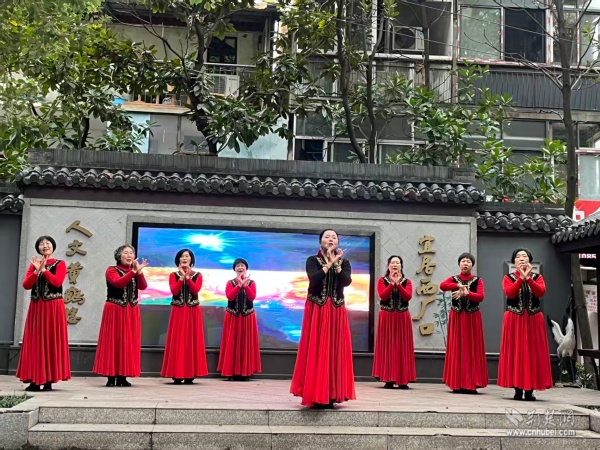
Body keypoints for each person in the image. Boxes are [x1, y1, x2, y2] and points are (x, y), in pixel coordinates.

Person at [290, 229, 356, 409]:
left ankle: (332, 394)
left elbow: (346, 281)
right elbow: (314, 279)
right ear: (320, 241)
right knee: (317, 349)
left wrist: (336, 264)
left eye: (334, 237)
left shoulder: (344, 262)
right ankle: (316, 394)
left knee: (335, 350)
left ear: (338, 242)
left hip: (336, 311)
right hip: (317, 310)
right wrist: (329, 263)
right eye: (327, 237)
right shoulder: (312, 260)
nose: (331, 239)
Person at [16, 236, 71, 391]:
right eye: (41, 244)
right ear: (38, 248)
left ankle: (48, 380)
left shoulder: (60, 263)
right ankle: (34, 379)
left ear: (53, 247)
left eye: (47, 243)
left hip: (53, 307)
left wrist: (44, 270)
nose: (45, 245)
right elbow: (26, 285)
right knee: (35, 342)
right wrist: (36, 271)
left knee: (51, 340)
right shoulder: (34, 264)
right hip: (36, 307)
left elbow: (57, 282)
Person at [498, 248, 552, 401]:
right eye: (518, 256)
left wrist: (528, 279)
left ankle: (530, 390)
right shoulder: (508, 277)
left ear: (530, 261)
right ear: (514, 262)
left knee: (532, 353)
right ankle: (517, 389)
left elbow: (540, 292)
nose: (521, 258)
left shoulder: (538, 277)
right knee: (516, 352)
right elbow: (510, 293)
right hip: (514, 319)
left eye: (525, 256)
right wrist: (521, 279)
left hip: (534, 319)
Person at [93, 245, 148, 387]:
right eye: (125, 253)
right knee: (113, 341)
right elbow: (118, 283)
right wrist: (133, 272)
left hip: (131, 310)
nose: (129, 255)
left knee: (128, 342)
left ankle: (123, 376)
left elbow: (143, 287)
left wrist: (139, 273)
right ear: (119, 256)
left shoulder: (134, 271)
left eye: (131, 253)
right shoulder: (111, 270)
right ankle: (111, 376)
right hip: (115, 310)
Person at [439, 252, 488, 394]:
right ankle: (457, 383)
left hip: (472, 318)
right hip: (457, 317)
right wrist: (458, 285)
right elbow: (442, 286)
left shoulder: (478, 280)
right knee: (457, 348)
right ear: (459, 264)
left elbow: (480, 297)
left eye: (468, 261)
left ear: (472, 265)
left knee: (472, 349)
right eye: (463, 261)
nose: (465, 263)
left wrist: (467, 293)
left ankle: (472, 383)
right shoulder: (454, 279)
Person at [161, 249, 208, 384]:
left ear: (191, 260)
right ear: (178, 260)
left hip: (193, 311)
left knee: (191, 341)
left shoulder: (198, 275)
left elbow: (195, 289)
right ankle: (177, 373)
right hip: (178, 310)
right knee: (178, 340)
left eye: (187, 256)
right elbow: (174, 291)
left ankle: (189, 374)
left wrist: (188, 277)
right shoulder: (173, 275)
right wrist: (181, 277)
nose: (184, 258)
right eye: (182, 256)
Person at [372, 255, 415, 389]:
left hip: (402, 317)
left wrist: (398, 285)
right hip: (387, 317)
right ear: (388, 266)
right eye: (392, 262)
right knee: (388, 346)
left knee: (403, 347)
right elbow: (383, 296)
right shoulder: (382, 281)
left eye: (398, 263)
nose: (395, 265)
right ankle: (388, 379)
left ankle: (403, 380)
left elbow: (407, 297)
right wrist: (392, 284)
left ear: (401, 266)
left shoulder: (407, 282)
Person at [217, 258, 261, 381]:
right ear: (234, 269)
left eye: (242, 265)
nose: (240, 267)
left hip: (247, 317)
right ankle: (230, 372)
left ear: (246, 268)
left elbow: (252, 297)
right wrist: (238, 286)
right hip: (233, 316)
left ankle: (245, 372)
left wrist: (245, 286)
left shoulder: (252, 283)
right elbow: (230, 296)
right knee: (231, 343)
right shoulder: (230, 283)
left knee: (246, 343)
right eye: (237, 266)